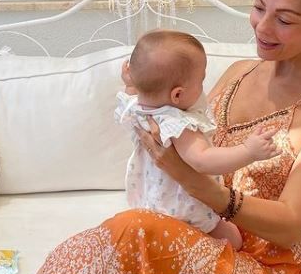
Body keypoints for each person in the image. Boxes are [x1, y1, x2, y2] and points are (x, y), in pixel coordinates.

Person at [18, 0, 301, 274]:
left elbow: (291, 226)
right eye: (259, 7)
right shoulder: (239, 73)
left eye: (285, 20)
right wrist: (141, 93)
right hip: (204, 240)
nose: (262, 27)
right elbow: (179, 128)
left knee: (133, 232)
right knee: (104, 247)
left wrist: (196, 183)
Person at [116, 30, 280, 249]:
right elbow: (203, 160)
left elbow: (131, 90)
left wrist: (131, 81)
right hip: (184, 210)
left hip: (149, 203)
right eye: (201, 81)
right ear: (177, 95)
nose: (203, 87)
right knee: (234, 239)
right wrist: (248, 151)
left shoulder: (135, 107)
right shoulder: (178, 125)